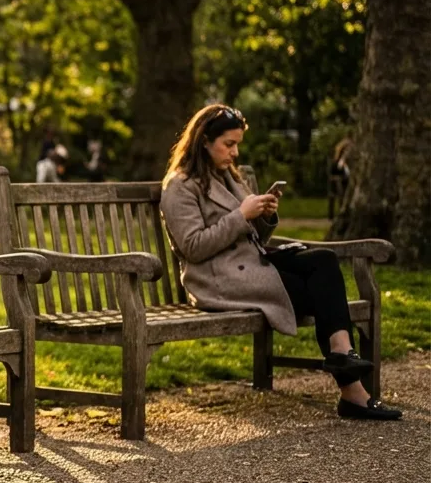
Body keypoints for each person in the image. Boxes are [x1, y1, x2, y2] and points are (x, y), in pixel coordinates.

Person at [159, 104, 400, 422]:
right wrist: (242, 214)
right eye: (228, 144)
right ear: (204, 141)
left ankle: (343, 355)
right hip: (217, 280)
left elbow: (252, 236)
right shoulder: (180, 187)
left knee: (324, 262)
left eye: (237, 145)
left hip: (249, 267)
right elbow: (193, 248)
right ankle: (352, 389)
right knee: (318, 288)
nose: (234, 153)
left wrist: (265, 216)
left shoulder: (228, 178)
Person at [329, 137, 352, 220]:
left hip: (349, 182)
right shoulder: (337, 161)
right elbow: (335, 171)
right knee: (341, 186)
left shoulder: (353, 161)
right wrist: (343, 162)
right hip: (340, 183)